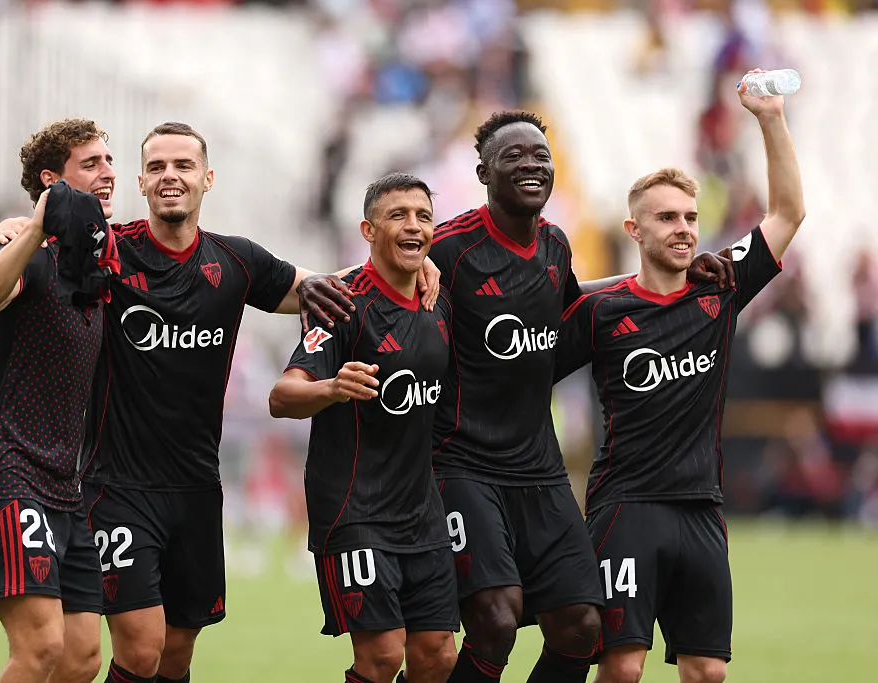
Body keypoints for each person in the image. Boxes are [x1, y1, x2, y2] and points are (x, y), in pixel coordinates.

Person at [75, 123, 439, 683]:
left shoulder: (237, 261)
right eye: (158, 167)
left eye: (184, 166)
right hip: (118, 485)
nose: (171, 176)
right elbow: (47, 250)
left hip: (196, 485)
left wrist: (413, 263)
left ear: (207, 179)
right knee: (141, 648)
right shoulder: (112, 255)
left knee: (176, 651)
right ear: (142, 182)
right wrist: (13, 229)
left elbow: (326, 288)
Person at [425, 111, 732, 683]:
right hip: (464, 464)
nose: (532, 164)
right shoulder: (450, 250)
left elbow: (574, 306)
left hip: (539, 470)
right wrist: (317, 286)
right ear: (483, 171)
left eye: (541, 156)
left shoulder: (556, 247)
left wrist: (683, 275)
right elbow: (380, 277)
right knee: (496, 618)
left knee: (583, 626)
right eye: (513, 155)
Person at [553, 71, 804, 683]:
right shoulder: (599, 309)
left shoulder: (718, 286)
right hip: (625, 505)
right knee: (623, 668)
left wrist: (770, 119)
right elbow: (524, 368)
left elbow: (789, 213)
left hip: (700, 507)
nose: (684, 228)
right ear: (635, 231)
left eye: (690, 216)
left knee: (708, 672)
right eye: (666, 218)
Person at [269, 172, 457, 683]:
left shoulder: (439, 300)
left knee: (438, 655)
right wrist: (330, 387)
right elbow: (282, 396)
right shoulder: (340, 303)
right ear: (368, 231)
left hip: (423, 513)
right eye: (397, 215)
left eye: (422, 216)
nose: (413, 226)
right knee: (381, 657)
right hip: (355, 512)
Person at [0, 118, 116, 683]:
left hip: (64, 488)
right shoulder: (27, 254)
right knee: (41, 647)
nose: (108, 173)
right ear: (52, 180)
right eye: (90, 163)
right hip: (8, 474)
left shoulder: (97, 267)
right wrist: (32, 230)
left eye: (108, 160)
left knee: (81, 659)